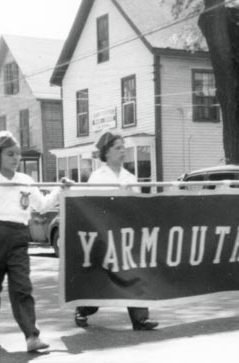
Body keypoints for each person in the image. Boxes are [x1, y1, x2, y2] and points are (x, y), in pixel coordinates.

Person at [0, 130, 61, 352]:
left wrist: (59, 189)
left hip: (19, 236)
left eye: (17, 154)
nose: (16, 158)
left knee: (22, 287)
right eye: (10, 154)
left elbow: (42, 205)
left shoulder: (25, 180)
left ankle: (31, 336)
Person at [73, 130, 159, 331]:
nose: (123, 151)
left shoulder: (130, 177)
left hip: (126, 235)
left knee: (134, 272)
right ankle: (83, 309)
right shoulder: (97, 177)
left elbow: (136, 206)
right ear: (106, 152)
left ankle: (140, 319)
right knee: (103, 278)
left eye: (124, 147)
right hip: (105, 235)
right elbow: (92, 207)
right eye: (118, 148)